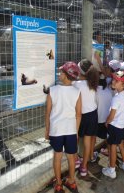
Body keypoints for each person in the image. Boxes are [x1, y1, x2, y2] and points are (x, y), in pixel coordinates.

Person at [45, 62, 82, 193]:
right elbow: (78, 115)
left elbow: (48, 113)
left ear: (67, 75)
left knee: (57, 156)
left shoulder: (53, 90)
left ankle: (59, 183)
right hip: (71, 130)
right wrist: (76, 132)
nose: (59, 75)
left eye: (61, 73)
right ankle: (72, 181)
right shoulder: (77, 92)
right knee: (72, 157)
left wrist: (47, 130)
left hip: (56, 130)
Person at [102, 69, 124, 178]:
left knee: (112, 147)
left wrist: (106, 122)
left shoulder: (116, 98)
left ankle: (112, 170)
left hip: (114, 126)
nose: (113, 81)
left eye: (116, 81)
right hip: (123, 125)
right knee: (121, 144)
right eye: (114, 79)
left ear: (123, 85)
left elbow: (111, 116)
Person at [73, 59, 99, 177]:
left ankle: (75, 160)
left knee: (76, 138)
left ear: (79, 71)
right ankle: (84, 167)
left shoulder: (76, 84)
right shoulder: (93, 82)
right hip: (92, 115)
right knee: (87, 142)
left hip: (80, 116)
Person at [90, 75, 113, 162]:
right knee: (108, 137)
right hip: (107, 119)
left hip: (97, 119)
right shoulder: (108, 91)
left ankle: (91, 155)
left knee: (93, 137)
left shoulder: (95, 92)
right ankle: (110, 153)